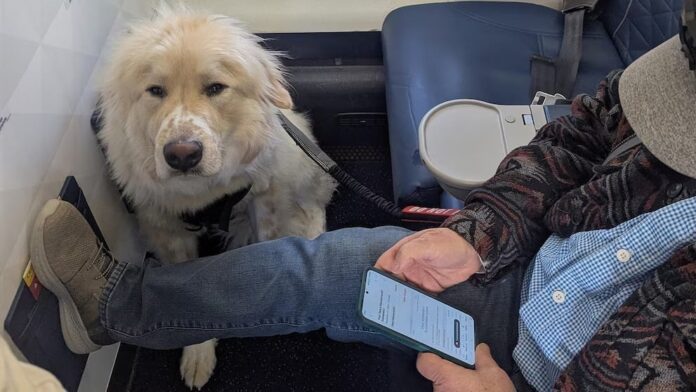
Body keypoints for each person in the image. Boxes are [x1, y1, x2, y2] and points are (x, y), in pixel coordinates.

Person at [27, 28, 696, 392]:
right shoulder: (671, 75)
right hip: (530, 278)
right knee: (322, 269)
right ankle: (113, 308)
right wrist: (480, 231)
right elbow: (576, 138)